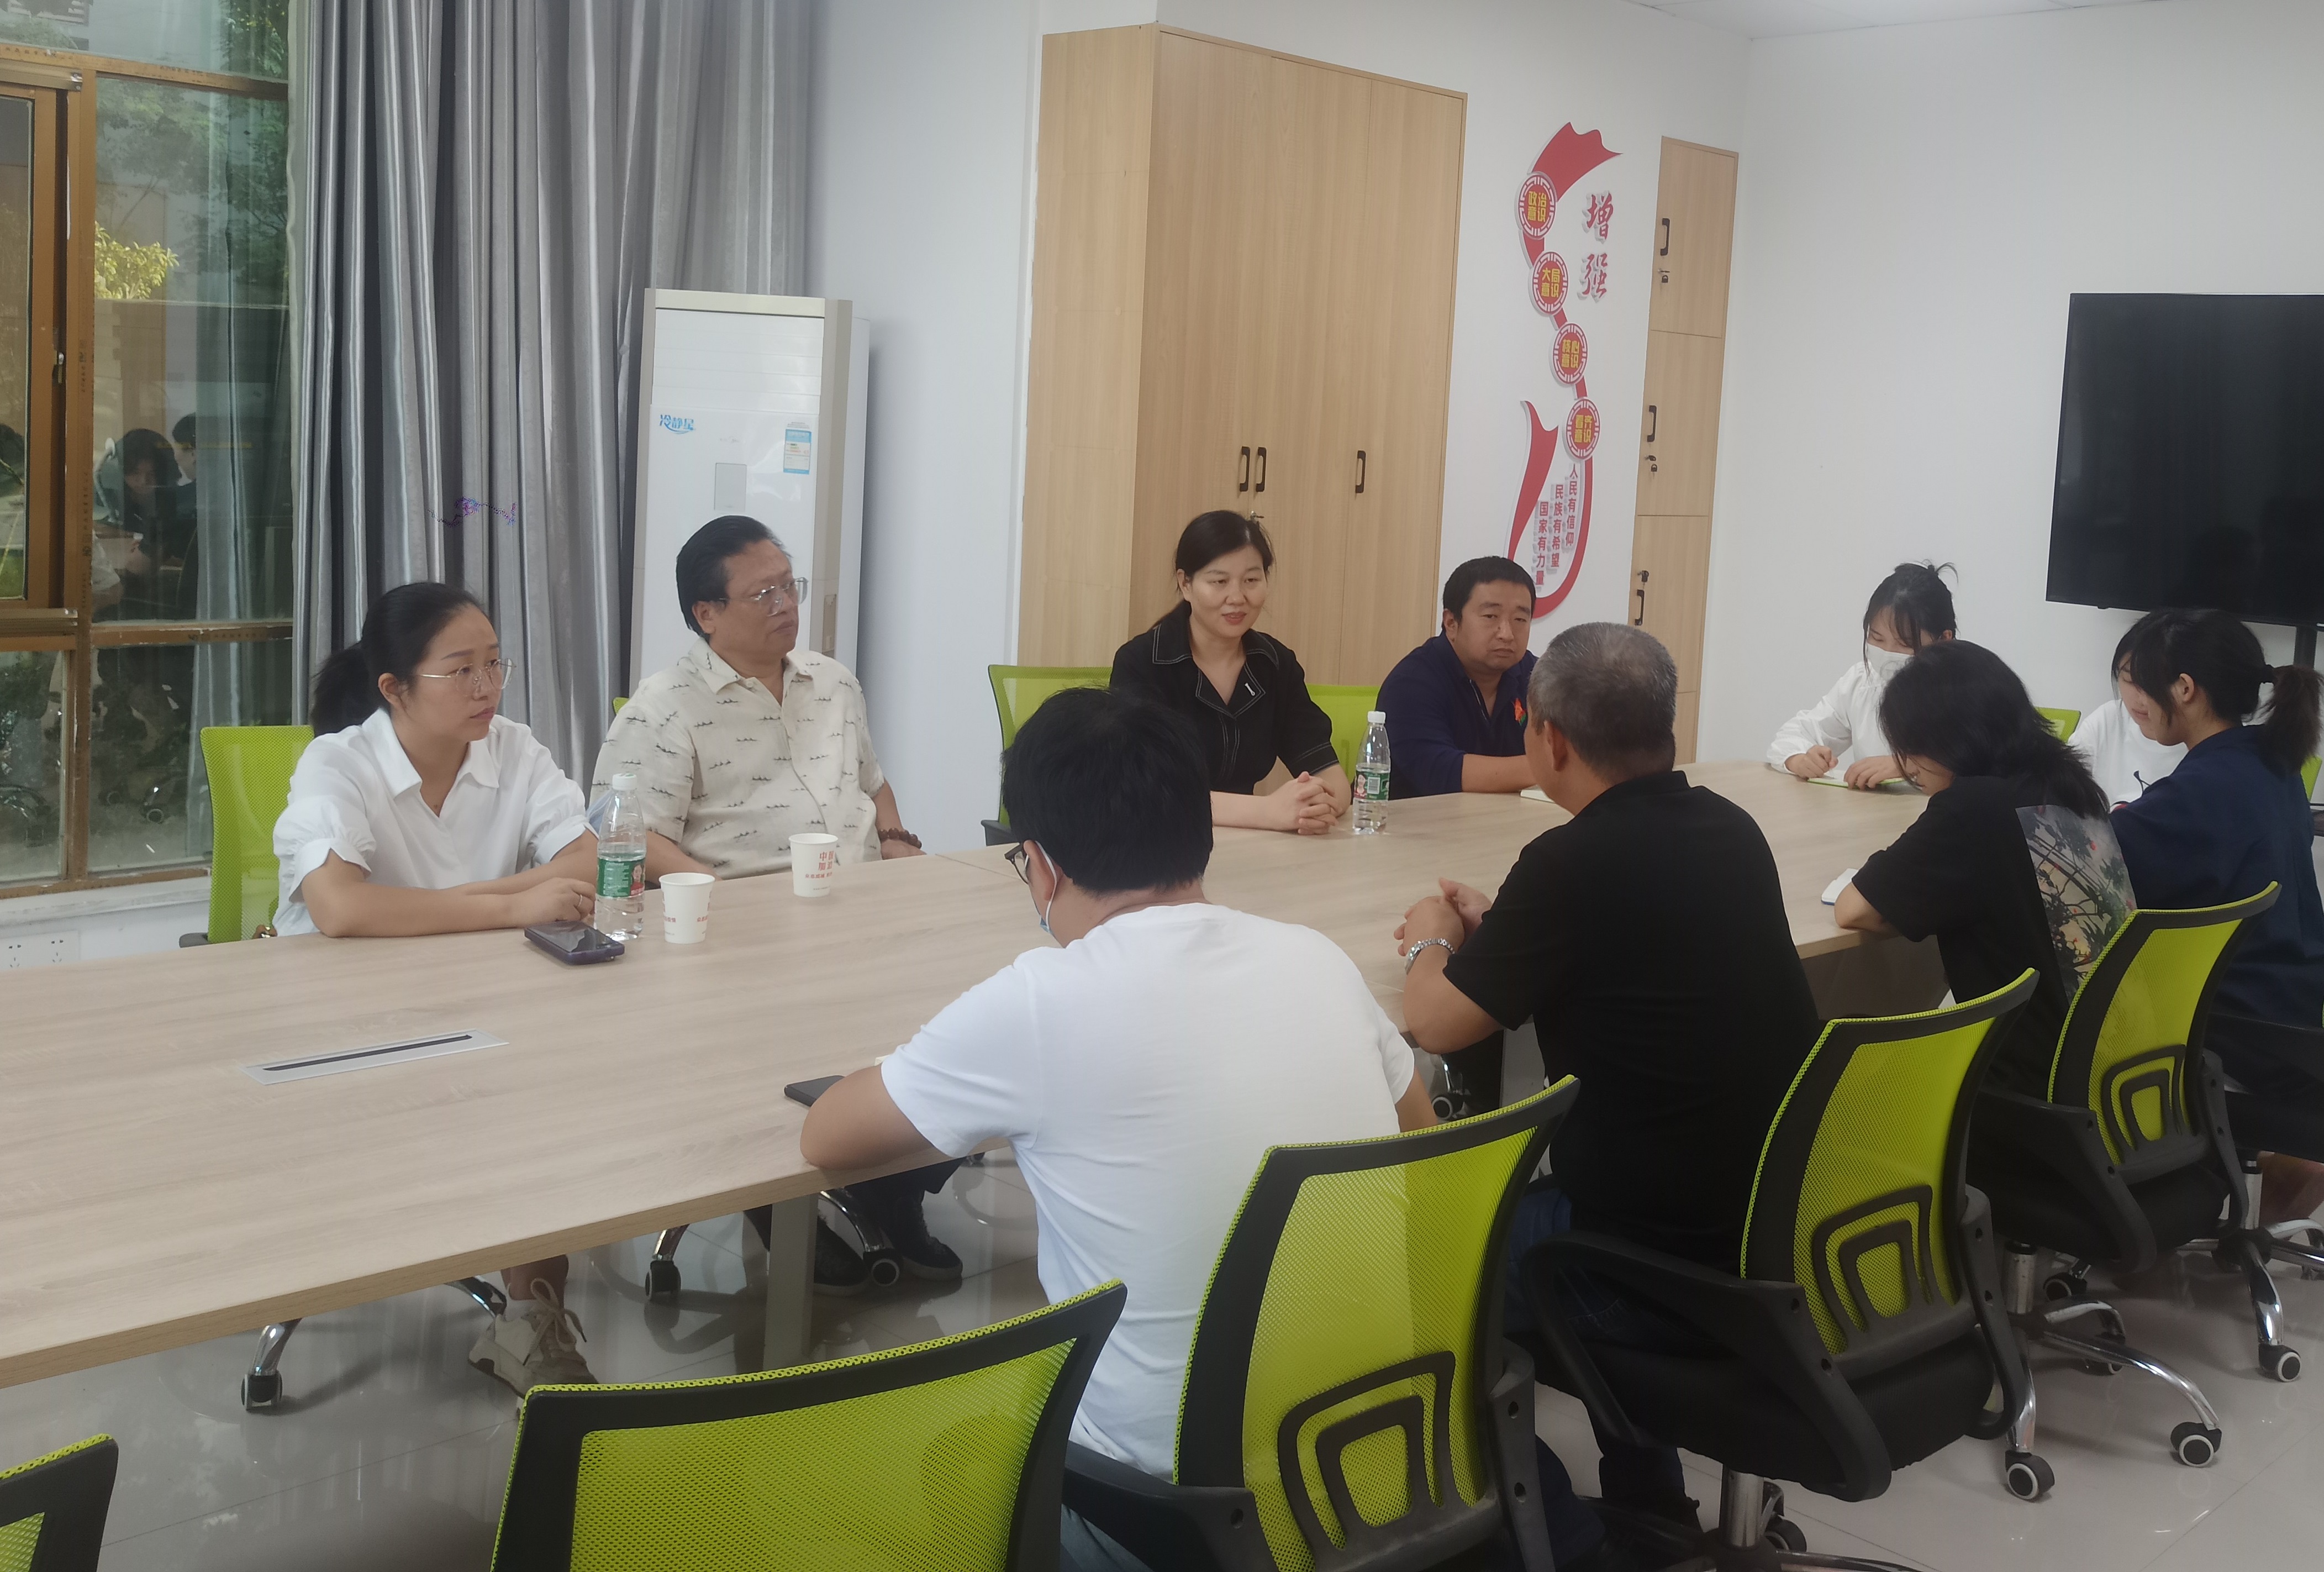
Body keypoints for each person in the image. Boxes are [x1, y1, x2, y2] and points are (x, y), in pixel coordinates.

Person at [800, 689, 1437, 1572]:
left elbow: (827, 1139)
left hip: (1171, 1514)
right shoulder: (1314, 957)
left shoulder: (1042, 1001)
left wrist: (930, 1064)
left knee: (935, 1460)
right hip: (1379, 1466)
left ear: (1041, 866)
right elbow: (1424, 1139)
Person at [1397, 622, 1820, 1559]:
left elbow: (1432, 1023)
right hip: (1765, 1227)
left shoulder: (1570, 862)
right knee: (1603, 1193)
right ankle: (1648, 1501)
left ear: (1548, 739)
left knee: (1419, 1268)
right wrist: (1514, 931)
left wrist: (1434, 933)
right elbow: (1633, 944)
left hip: (1646, 1263)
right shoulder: (1729, 829)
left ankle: (1566, 1536)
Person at [594, 514, 950, 1291]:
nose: (786, 604)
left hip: (862, 909)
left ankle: (896, 1192)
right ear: (706, 613)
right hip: (745, 931)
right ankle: (774, 1205)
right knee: (772, 1051)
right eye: (764, 593)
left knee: (949, 1021)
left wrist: (896, 841)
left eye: (790, 586)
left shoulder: (832, 681)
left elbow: (873, 780)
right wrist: (716, 893)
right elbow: (626, 833)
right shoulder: (663, 708)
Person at [273, 581, 602, 1395]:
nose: (487, 687)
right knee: (515, 1095)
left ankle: (531, 1319)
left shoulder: (513, 749)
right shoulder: (339, 763)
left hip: (484, 1001)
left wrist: (462, 904)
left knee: (557, 1083)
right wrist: (512, 905)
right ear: (395, 688)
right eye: (461, 670)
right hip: (342, 1020)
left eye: (495, 664)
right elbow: (342, 909)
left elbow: (585, 860)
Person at [1836, 640, 2136, 1096]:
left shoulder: (1974, 807)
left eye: (1911, 746)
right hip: (2115, 1077)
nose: (1908, 764)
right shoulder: (2071, 788)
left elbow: (1855, 909)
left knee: (1837, 1040)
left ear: (1951, 739)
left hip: (2027, 1092)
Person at [2105, 609, 2324, 1222]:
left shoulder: (2200, 790)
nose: (2127, 700)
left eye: (2133, 682)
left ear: (2183, 688)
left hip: (2240, 1035)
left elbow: (2094, 863)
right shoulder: (2273, 763)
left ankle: (2126, 1217)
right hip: (2296, 1017)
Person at [1108, 511, 1350, 834]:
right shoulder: (1142, 663)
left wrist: (1316, 804)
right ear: (1186, 584)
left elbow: (1331, 777)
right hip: (1160, 842)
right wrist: (1266, 811)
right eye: (1219, 582)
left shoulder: (1275, 664)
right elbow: (1145, 790)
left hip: (1248, 842)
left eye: (1251, 581)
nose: (1237, 598)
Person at [1769, 561, 1956, 789]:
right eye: (1877, 638)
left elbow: (1981, 766)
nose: (1887, 652)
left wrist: (1909, 764)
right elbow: (1799, 733)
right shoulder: (1863, 682)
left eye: (1905, 643)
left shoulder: (1970, 687)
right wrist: (1799, 759)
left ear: (1944, 639)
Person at [1378, 555, 1538, 798]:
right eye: (1491, 617)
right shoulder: (1411, 682)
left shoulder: (1535, 675)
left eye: (1520, 620)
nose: (1507, 634)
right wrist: (1548, 768)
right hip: (1410, 819)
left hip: (1499, 817)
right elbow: (1440, 771)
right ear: (1451, 623)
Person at [2070, 626, 2186, 806]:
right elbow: (2062, 783)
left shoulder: (2200, 741)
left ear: (2185, 686)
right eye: (2130, 681)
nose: (2142, 700)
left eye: (2154, 686)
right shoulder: (2107, 720)